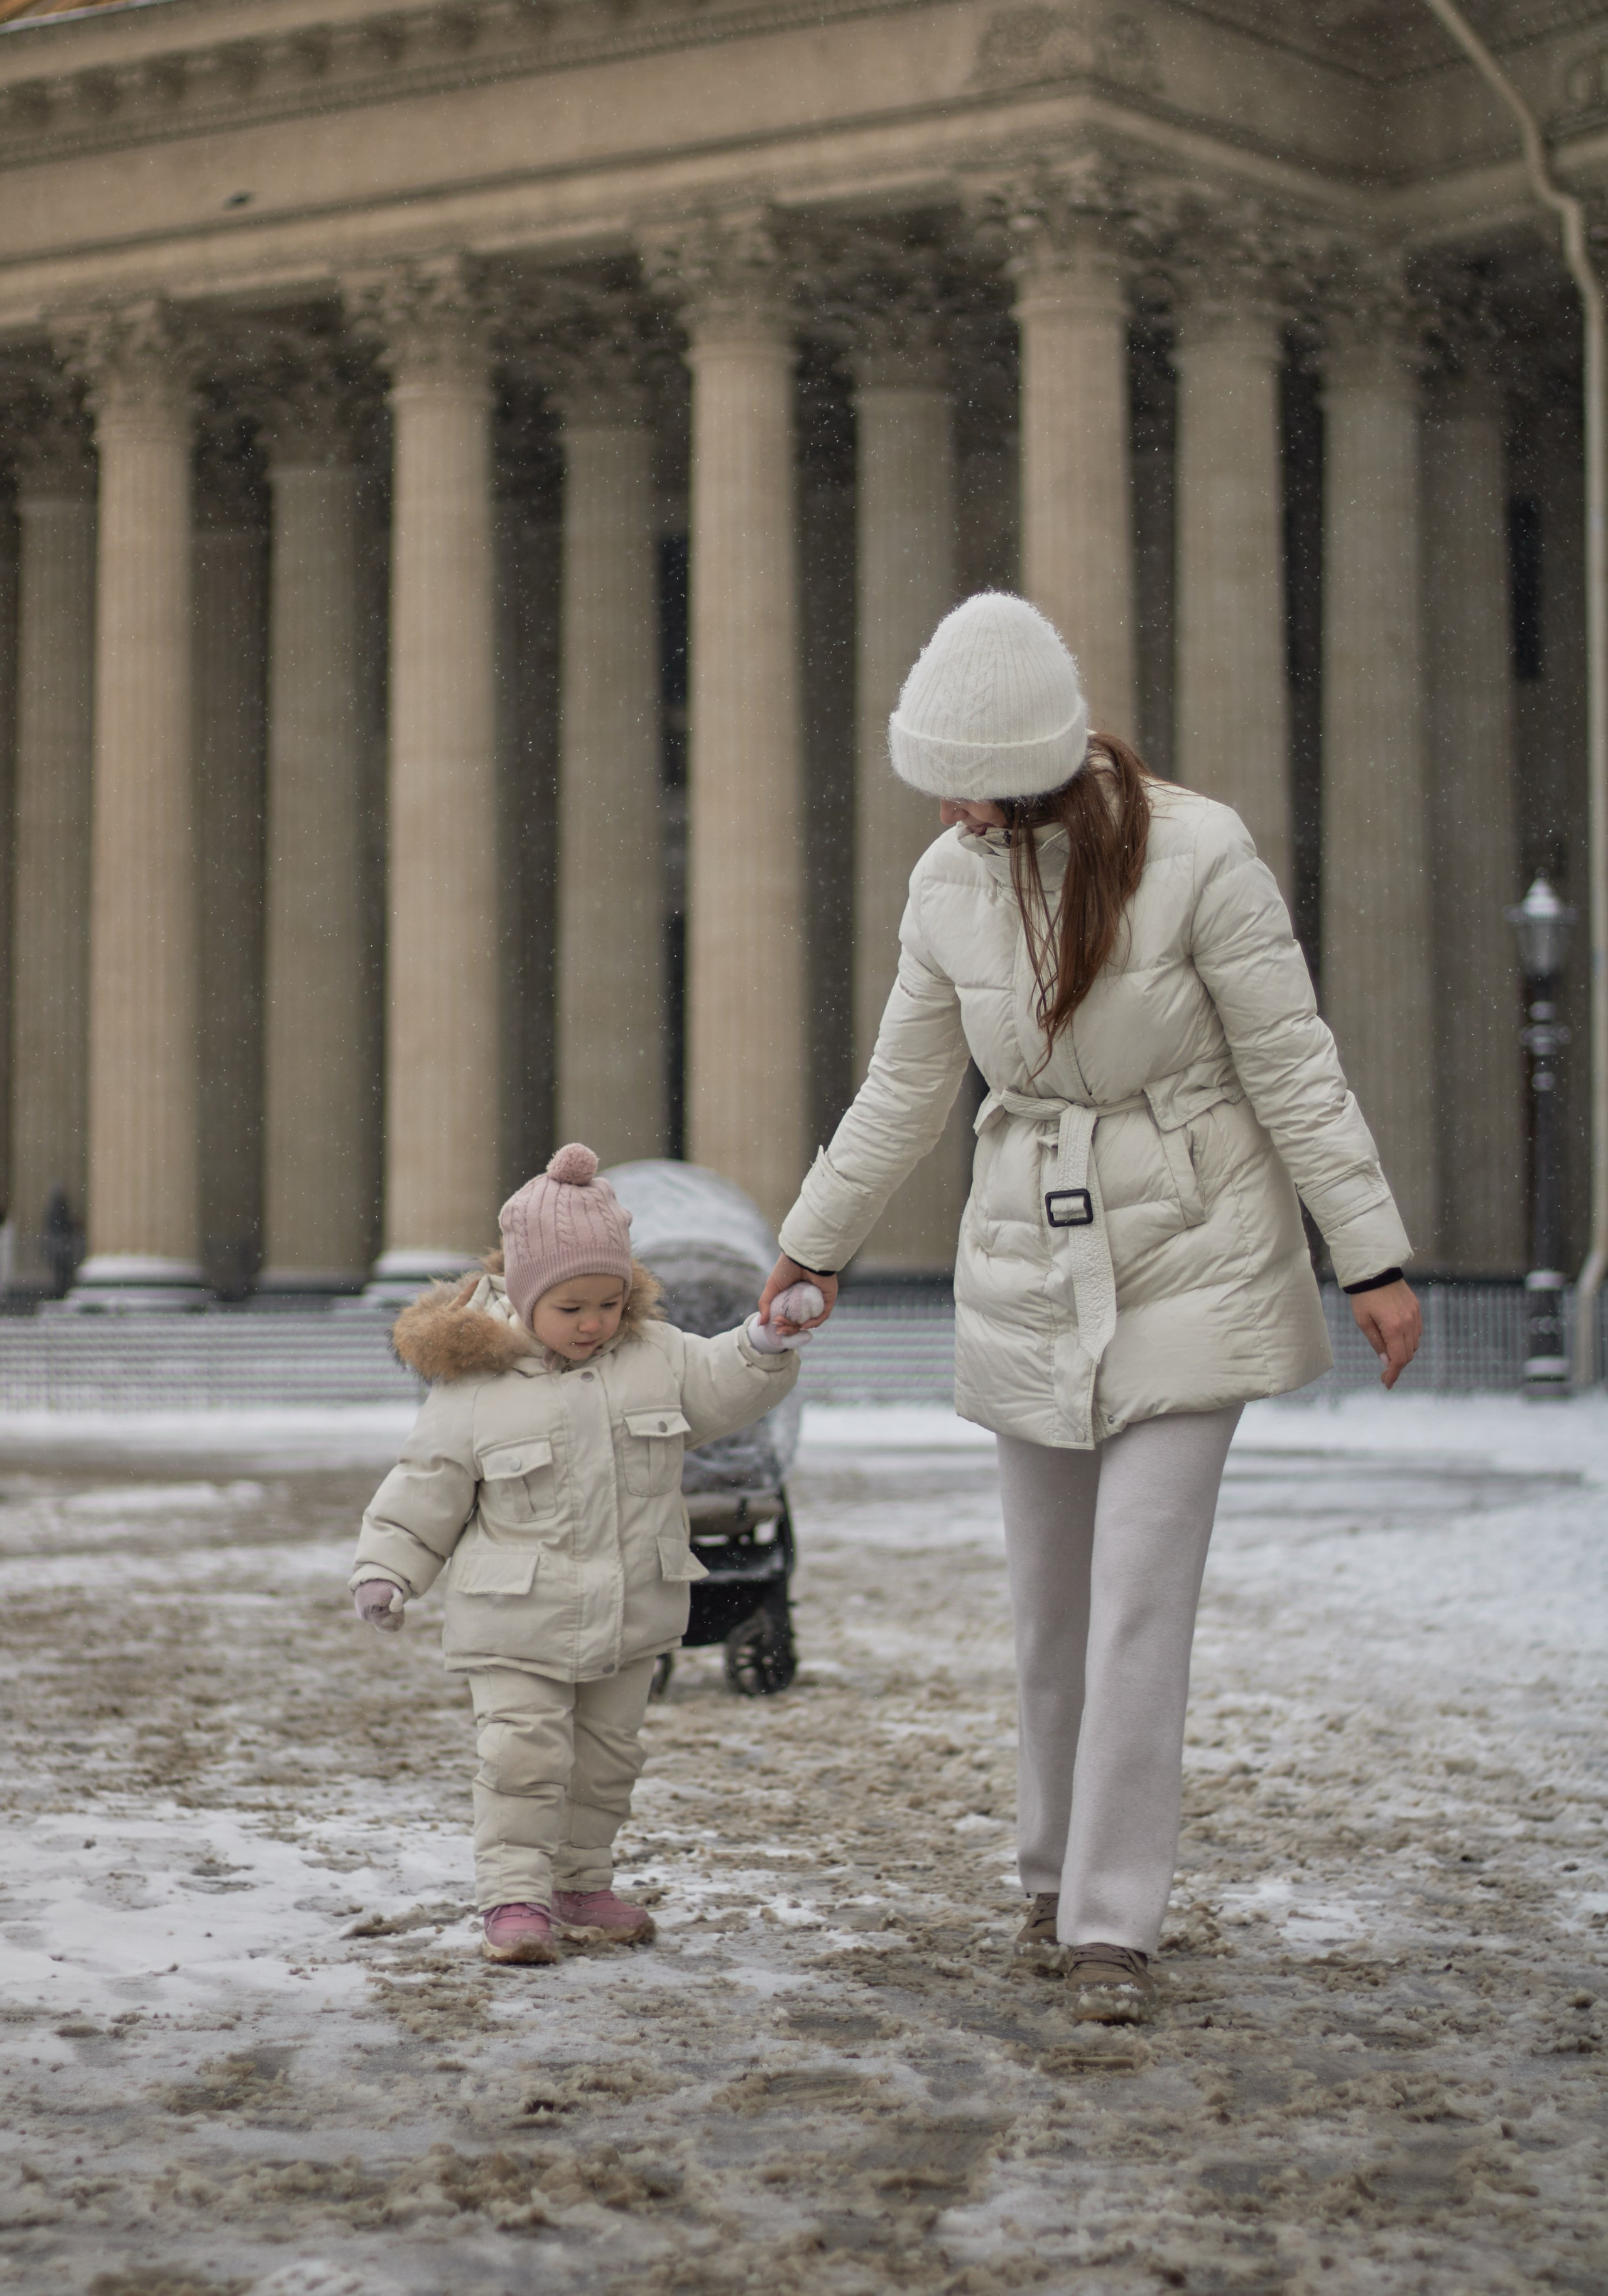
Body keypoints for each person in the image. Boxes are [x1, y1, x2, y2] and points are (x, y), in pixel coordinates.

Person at [759, 591, 1421, 2023]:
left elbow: (1293, 1066)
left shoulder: (1200, 855)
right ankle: (1048, 1867)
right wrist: (812, 1245)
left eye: (960, 774)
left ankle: (1109, 1922)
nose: (941, 802)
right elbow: (904, 1089)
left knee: (1135, 1603)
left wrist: (1366, 1256)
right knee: (1046, 1609)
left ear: (1025, 761)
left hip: (1196, 1250)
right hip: (1025, 1257)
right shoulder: (946, 884)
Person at [349, 1144, 822, 1966]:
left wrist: (764, 1342)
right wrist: (388, 1569)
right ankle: (514, 1898)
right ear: (526, 1297)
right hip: (515, 1618)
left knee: (607, 1764)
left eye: (611, 1302)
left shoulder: (657, 1357)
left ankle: (579, 1883)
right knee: (520, 1762)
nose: (595, 1322)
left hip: (629, 1612)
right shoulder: (475, 1390)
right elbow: (426, 1485)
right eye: (573, 1306)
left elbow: (723, 1379)